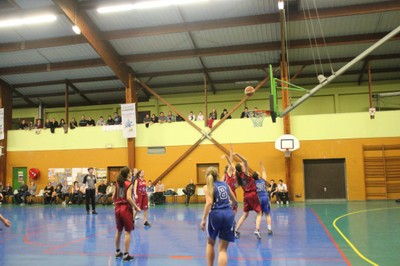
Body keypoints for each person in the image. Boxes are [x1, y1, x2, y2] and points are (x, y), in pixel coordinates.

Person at [200, 167, 237, 266]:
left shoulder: (207, 187)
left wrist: (203, 220)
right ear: (217, 174)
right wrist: (229, 208)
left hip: (216, 215)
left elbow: (209, 203)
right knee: (223, 250)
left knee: (210, 243)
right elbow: (234, 201)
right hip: (228, 214)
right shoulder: (225, 184)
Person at [113, 166, 141, 262]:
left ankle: (117, 252)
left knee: (118, 231)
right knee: (127, 232)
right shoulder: (129, 184)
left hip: (117, 208)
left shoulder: (117, 183)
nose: (131, 172)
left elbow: (113, 196)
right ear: (127, 173)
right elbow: (129, 198)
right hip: (125, 208)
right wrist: (136, 207)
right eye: (130, 171)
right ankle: (126, 254)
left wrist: (116, 203)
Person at [233, 152, 262, 239]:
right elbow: (245, 160)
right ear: (241, 168)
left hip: (245, 196)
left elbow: (236, 186)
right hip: (252, 194)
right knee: (259, 213)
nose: (242, 164)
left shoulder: (238, 177)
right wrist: (237, 154)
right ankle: (257, 229)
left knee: (245, 214)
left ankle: (236, 230)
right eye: (241, 164)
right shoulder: (244, 173)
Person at [253, 161, 273, 235]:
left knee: (259, 214)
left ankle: (257, 229)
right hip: (265, 198)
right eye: (258, 173)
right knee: (267, 214)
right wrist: (261, 165)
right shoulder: (263, 181)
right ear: (258, 176)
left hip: (258, 199)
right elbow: (264, 171)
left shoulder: (254, 182)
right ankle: (269, 229)